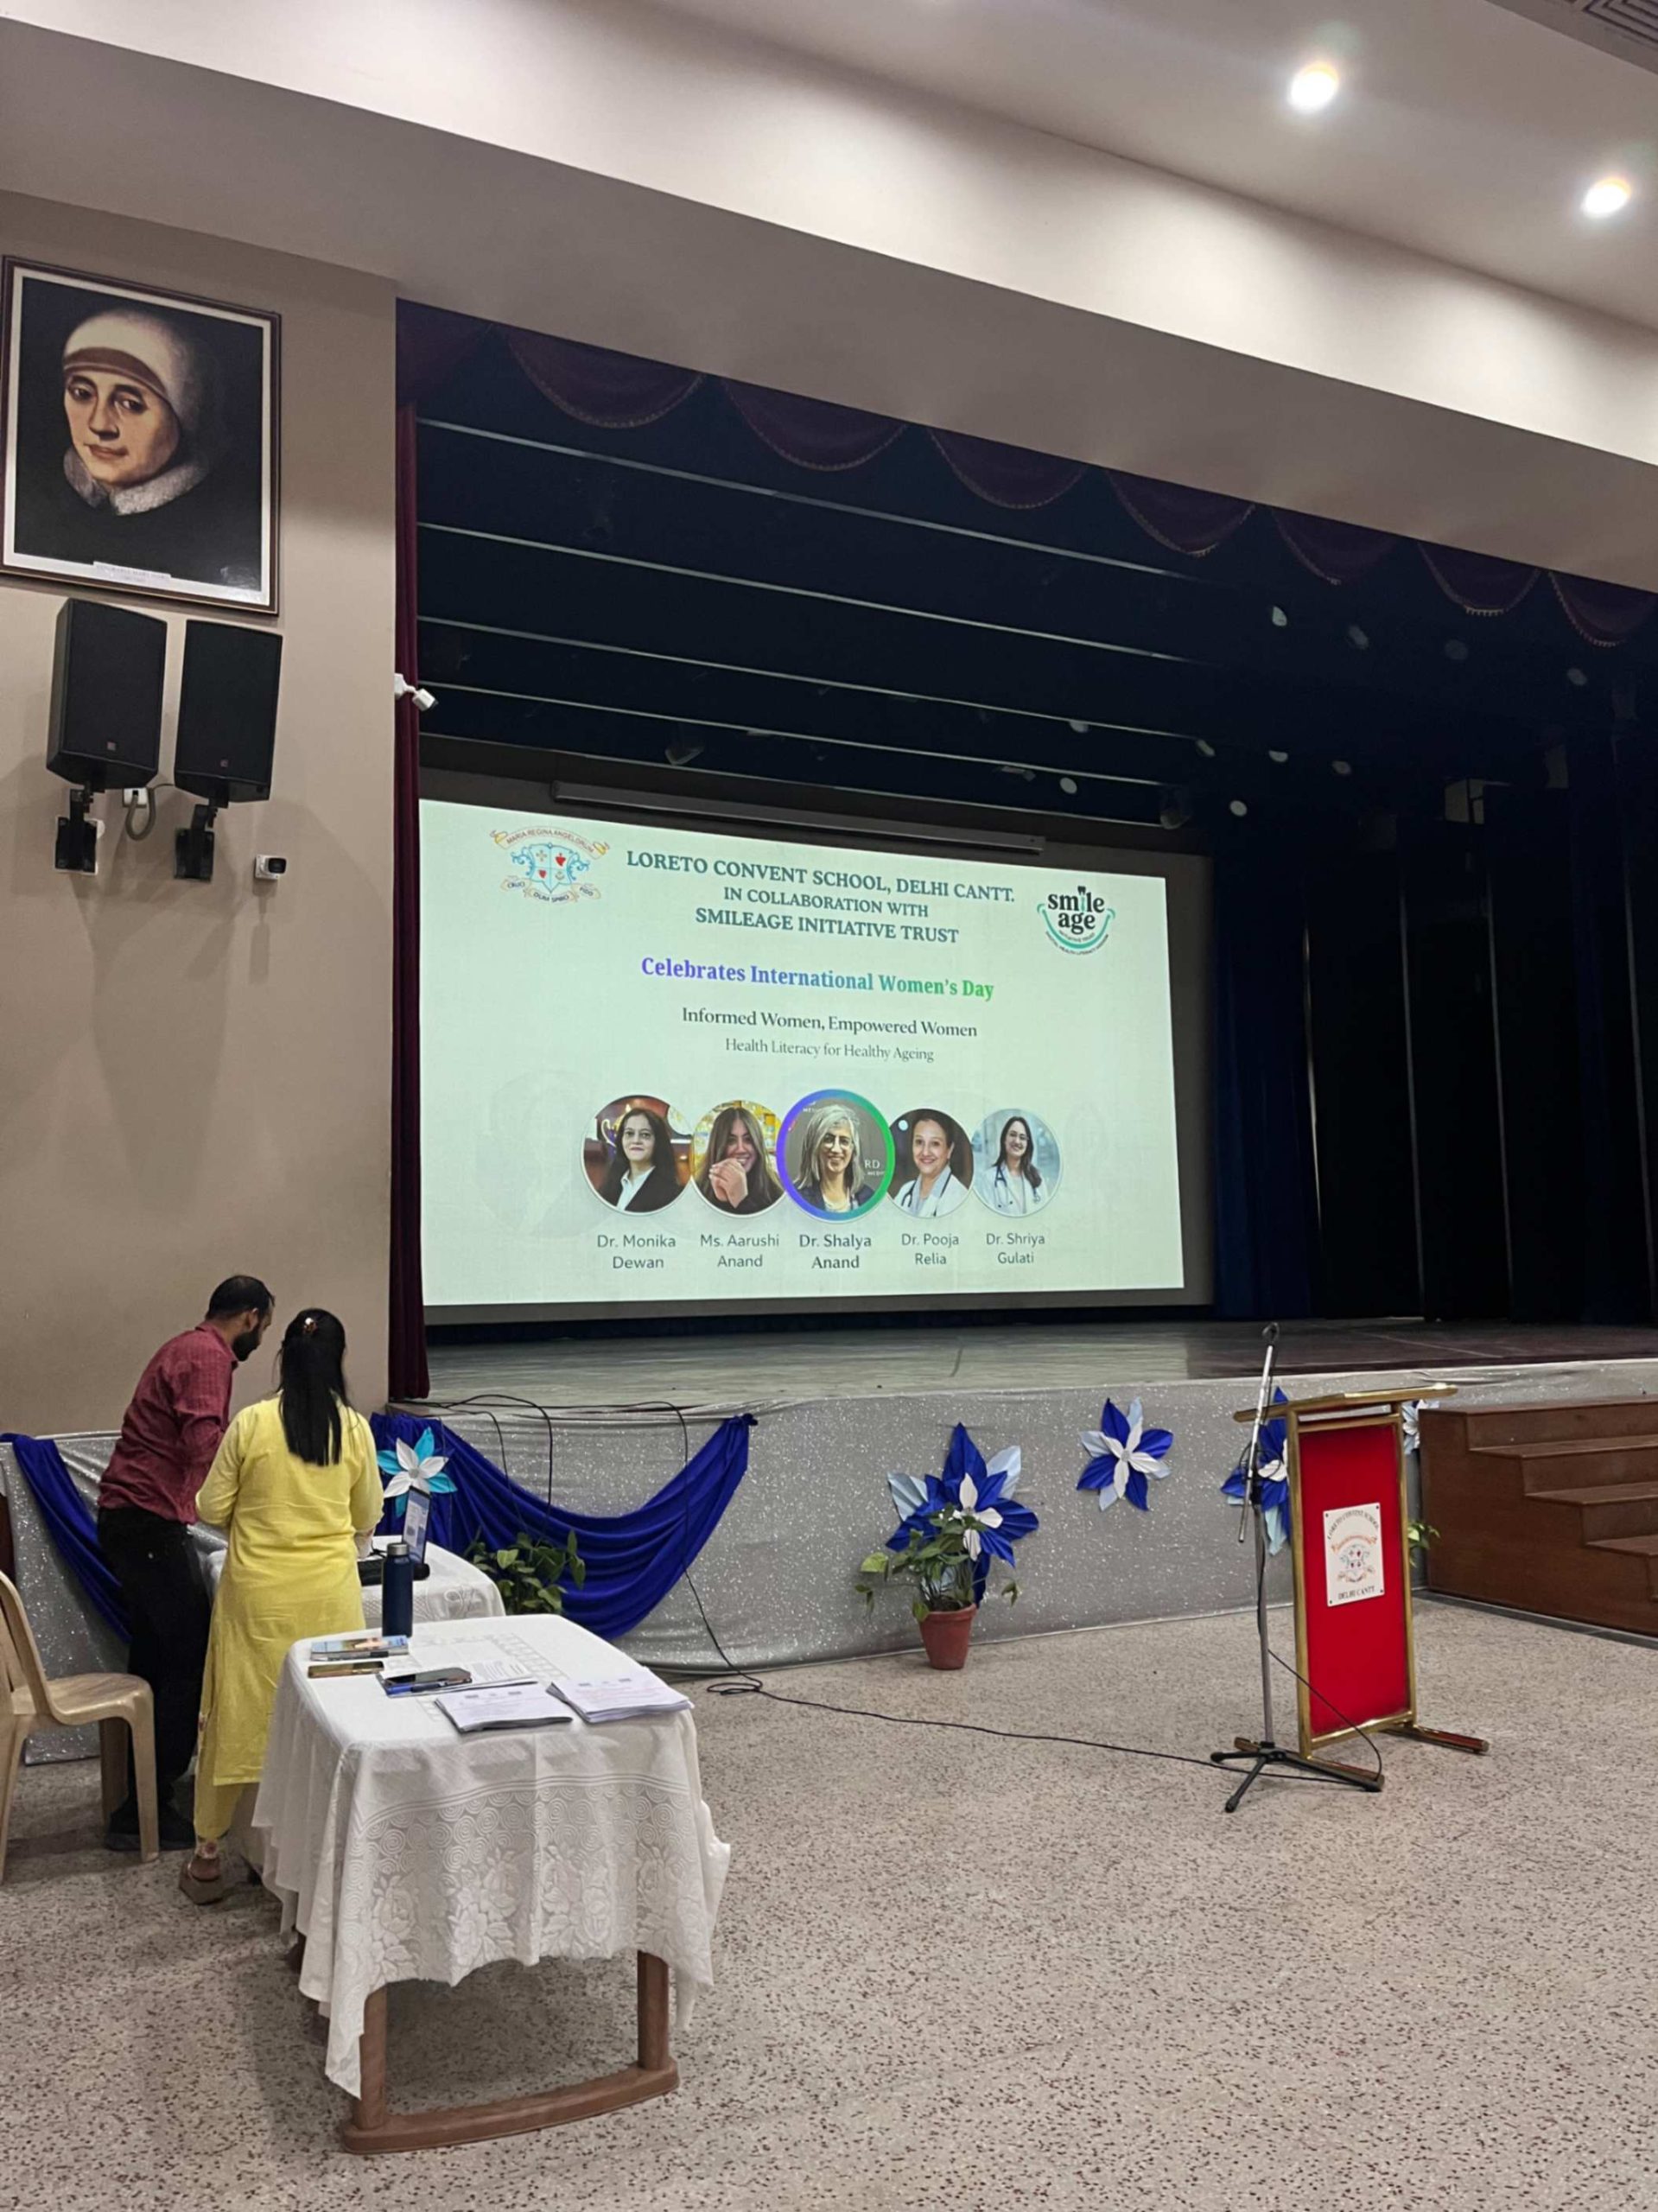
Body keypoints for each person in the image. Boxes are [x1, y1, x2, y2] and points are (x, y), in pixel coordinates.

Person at [180, 1309, 382, 1905]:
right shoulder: (354, 1429)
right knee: (334, 1721)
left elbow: (210, 1506)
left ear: (283, 1358)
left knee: (237, 1715)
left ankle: (209, 1854)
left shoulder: (251, 1424)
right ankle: (330, 1852)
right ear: (339, 1361)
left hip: (257, 1599)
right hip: (330, 1599)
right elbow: (367, 1515)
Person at [97, 1274, 273, 1851]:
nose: (260, 1339)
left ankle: (140, 1796)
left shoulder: (185, 1346)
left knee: (154, 1656)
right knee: (188, 1657)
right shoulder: (207, 1357)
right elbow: (207, 1446)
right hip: (147, 1521)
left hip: (134, 1519)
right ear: (250, 1317)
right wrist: (261, 1492)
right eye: (263, 1327)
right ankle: (151, 1800)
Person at [12, 304, 263, 591]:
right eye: (82, 393)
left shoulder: (225, 529)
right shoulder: (32, 501)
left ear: (186, 415)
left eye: (131, 404)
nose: (99, 424)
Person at [696, 1104, 784, 1215]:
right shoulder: (697, 1192)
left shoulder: (777, 1192)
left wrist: (741, 1201)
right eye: (731, 1141)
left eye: (748, 1140)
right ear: (718, 1145)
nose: (741, 1149)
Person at [596, 1104, 683, 1212]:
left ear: (658, 1142)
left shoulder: (672, 1194)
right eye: (629, 1133)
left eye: (645, 1135)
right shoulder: (609, 1185)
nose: (636, 1140)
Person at [794, 1100, 875, 1215]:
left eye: (844, 1141)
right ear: (815, 1146)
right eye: (828, 1140)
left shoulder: (869, 1198)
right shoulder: (796, 1199)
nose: (836, 1149)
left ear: (853, 1149)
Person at [892, 1111, 972, 1217]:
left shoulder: (958, 1197)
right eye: (919, 1142)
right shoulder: (904, 1192)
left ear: (949, 1150)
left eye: (935, 1144)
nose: (925, 1152)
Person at [985, 1114, 1047, 1215]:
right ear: (1004, 1140)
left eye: (1022, 1137)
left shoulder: (1037, 1177)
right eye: (1012, 1135)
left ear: (1027, 1144)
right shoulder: (989, 1178)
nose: (1017, 1141)